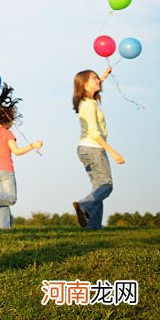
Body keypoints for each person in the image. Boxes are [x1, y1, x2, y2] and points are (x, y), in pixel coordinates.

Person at [0, 86, 43, 230]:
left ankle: (5, 228)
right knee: (11, 199)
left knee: (3, 200)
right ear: (8, 120)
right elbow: (16, 151)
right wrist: (33, 145)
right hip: (6, 170)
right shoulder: (8, 134)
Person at [72, 67, 124, 230]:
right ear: (85, 84)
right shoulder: (89, 105)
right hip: (94, 148)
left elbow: (97, 83)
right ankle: (84, 205)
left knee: (97, 189)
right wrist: (113, 152)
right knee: (106, 186)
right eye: (93, 78)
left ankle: (93, 227)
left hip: (85, 149)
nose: (97, 80)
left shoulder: (86, 101)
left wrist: (103, 76)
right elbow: (94, 133)